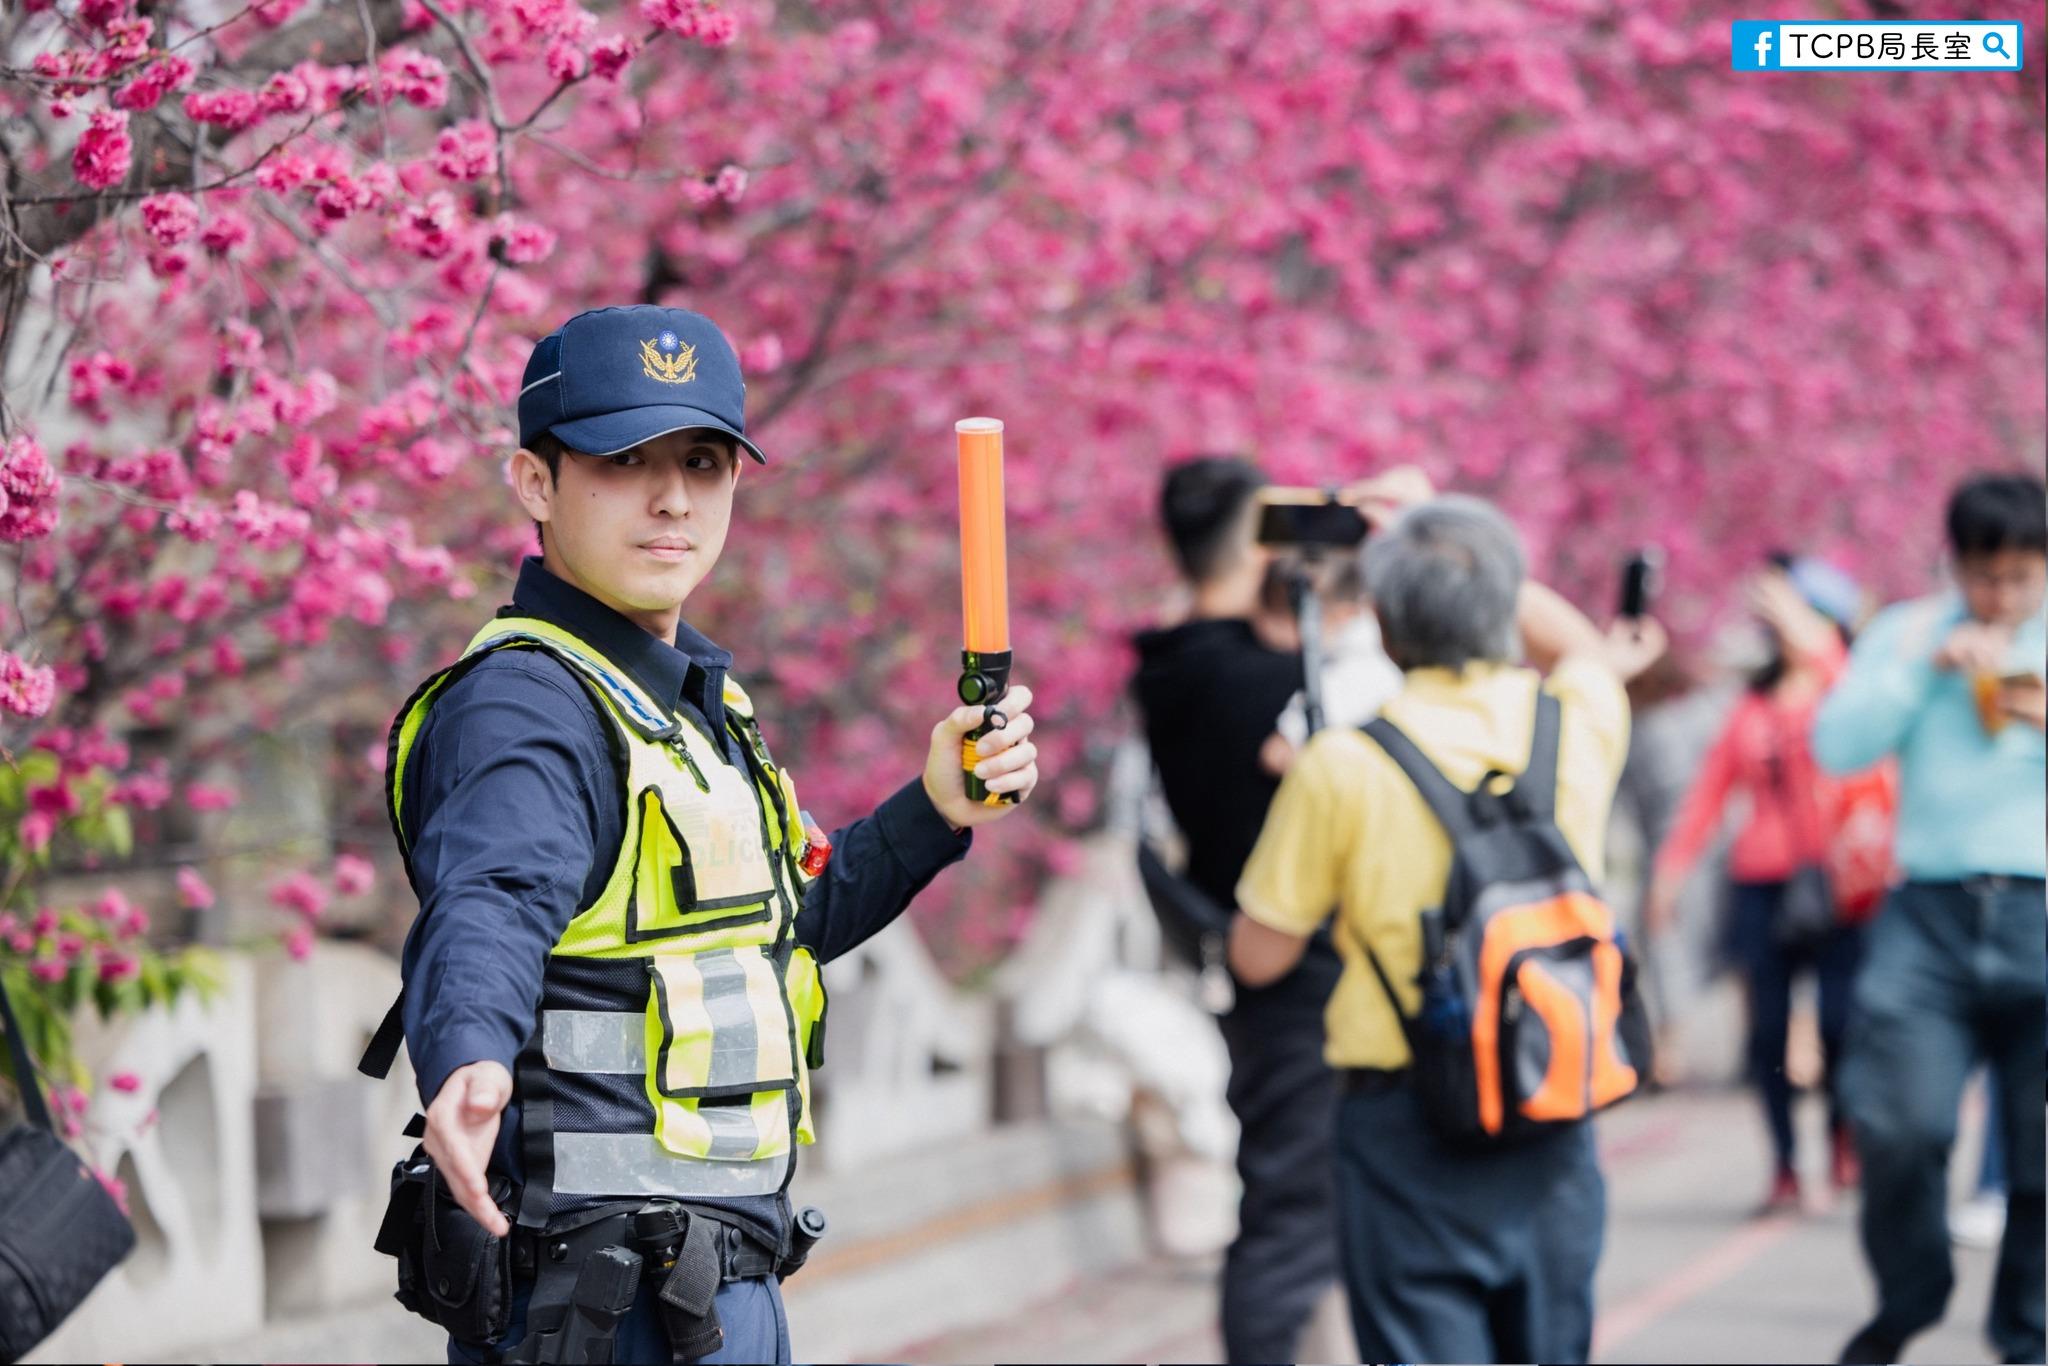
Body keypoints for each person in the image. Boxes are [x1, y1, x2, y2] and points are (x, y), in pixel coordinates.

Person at [373, 305, 1041, 1364]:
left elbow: (777, 932)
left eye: (702, 462)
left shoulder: (682, 706)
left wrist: (932, 812)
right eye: (622, 460)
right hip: (598, 1309)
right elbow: (493, 898)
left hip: (709, 1290)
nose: (673, 499)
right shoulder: (525, 706)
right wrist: (470, 1056)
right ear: (535, 483)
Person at [1228, 487, 1663, 1365]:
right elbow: (1584, 647)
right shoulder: (1575, 720)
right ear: (1504, 604)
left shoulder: (1342, 763)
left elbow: (1258, 956)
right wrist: (1440, 532)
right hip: (1550, 1100)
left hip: (1405, 1123)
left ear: (1381, 624)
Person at [1816, 472, 2046, 1366]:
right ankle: (1910, 1296)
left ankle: (2028, 1332)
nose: (2002, 597)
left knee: (2041, 1150)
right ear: (1955, 565)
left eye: (2022, 578)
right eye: (1985, 577)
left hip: (2039, 906)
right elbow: (1837, 745)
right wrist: (1926, 671)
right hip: (1930, 916)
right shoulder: (1909, 634)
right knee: (1897, 1121)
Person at [1128, 455, 1345, 1366]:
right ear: (1259, 538)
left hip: (1254, 966)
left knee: (1300, 1210)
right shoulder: (1271, 682)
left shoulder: (1176, 664)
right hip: (1301, 974)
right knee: (1291, 1220)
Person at [1646, 560, 1870, 1214]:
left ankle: (1842, 1135)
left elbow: (1855, 704)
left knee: (1840, 1023)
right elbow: (1708, 793)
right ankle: (1784, 1165)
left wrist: (1815, 641)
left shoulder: (1847, 693)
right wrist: (1670, 873)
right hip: (1761, 883)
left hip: (1839, 883)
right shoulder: (1750, 706)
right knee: (1767, 1033)